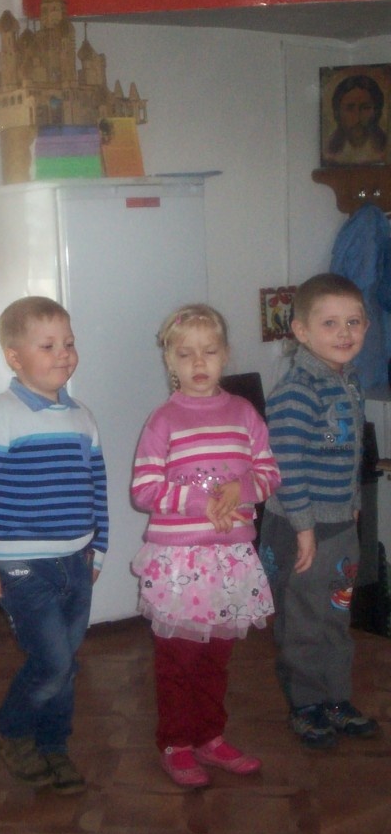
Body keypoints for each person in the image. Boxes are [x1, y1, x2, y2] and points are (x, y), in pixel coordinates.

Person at [0, 296, 107, 795]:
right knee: (54, 662)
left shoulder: (82, 418)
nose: (63, 353)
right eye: (48, 345)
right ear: (14, 357)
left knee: (66, 662)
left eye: (69, 343)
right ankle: (13, 730)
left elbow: (97, 485)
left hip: (76, 562)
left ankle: (53, 744)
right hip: (22, 567)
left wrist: (101, 547)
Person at [130, 304, 280, 788]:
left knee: (216, 657)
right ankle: (176, 744)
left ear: (226, 355)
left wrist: (242, 488)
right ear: (170, 361)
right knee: (178, 659)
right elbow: (144, 490)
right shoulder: (164, 420)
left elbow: (269, 474)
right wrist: (202, 500)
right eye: (186, 354)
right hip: (180, 562)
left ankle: (210, 737)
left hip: (230, 560)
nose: (199, 362)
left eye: (209, 352)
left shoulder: (244, 414)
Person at [259, 273, 379, 750]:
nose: (344, 333)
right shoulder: (297, 391)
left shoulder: (348, 383)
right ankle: (306, 703)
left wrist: (353, 506)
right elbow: (285, 467)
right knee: (304, 620)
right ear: (301, 331)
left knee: (335, 612)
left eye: (354, 321)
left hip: (337, 523)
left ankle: (336, 699)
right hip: (299, 527)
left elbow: (349, 457)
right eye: (330, 323)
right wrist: (305, 528)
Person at [323, 73, 389, 166]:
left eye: (365, 107)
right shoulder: (330, 150)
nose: (357, 115)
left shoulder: (386, 148)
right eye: (349, 108)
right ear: (337, 113)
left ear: (377, 112)